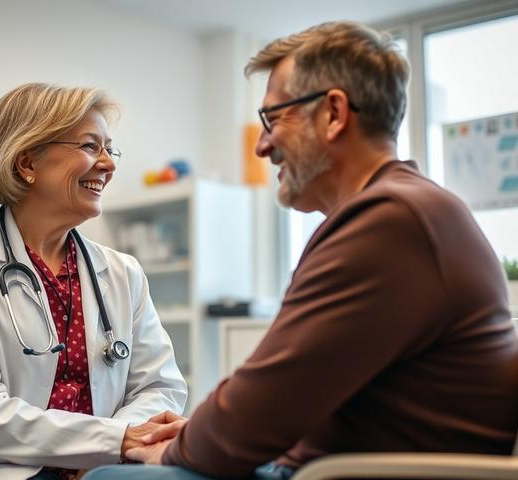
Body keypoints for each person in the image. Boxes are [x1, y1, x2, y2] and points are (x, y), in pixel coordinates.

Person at [83, 20, 518, 480]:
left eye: (274, 118)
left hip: (351, 472)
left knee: (108, 477)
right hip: (338, 460)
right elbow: (286, 398)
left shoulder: (388, 221)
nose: (263, 146)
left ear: (333, 113)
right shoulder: (412, 210)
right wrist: (199, 435)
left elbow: (258, 407)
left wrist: (178, 448)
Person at [0, 83, 187, 480]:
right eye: (91, 146)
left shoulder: (123, 272)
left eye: (111, 149)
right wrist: (110, 441)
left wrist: (108, 451)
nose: (108, 164)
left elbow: (160, 387)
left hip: (102, 470)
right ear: (27, 163)